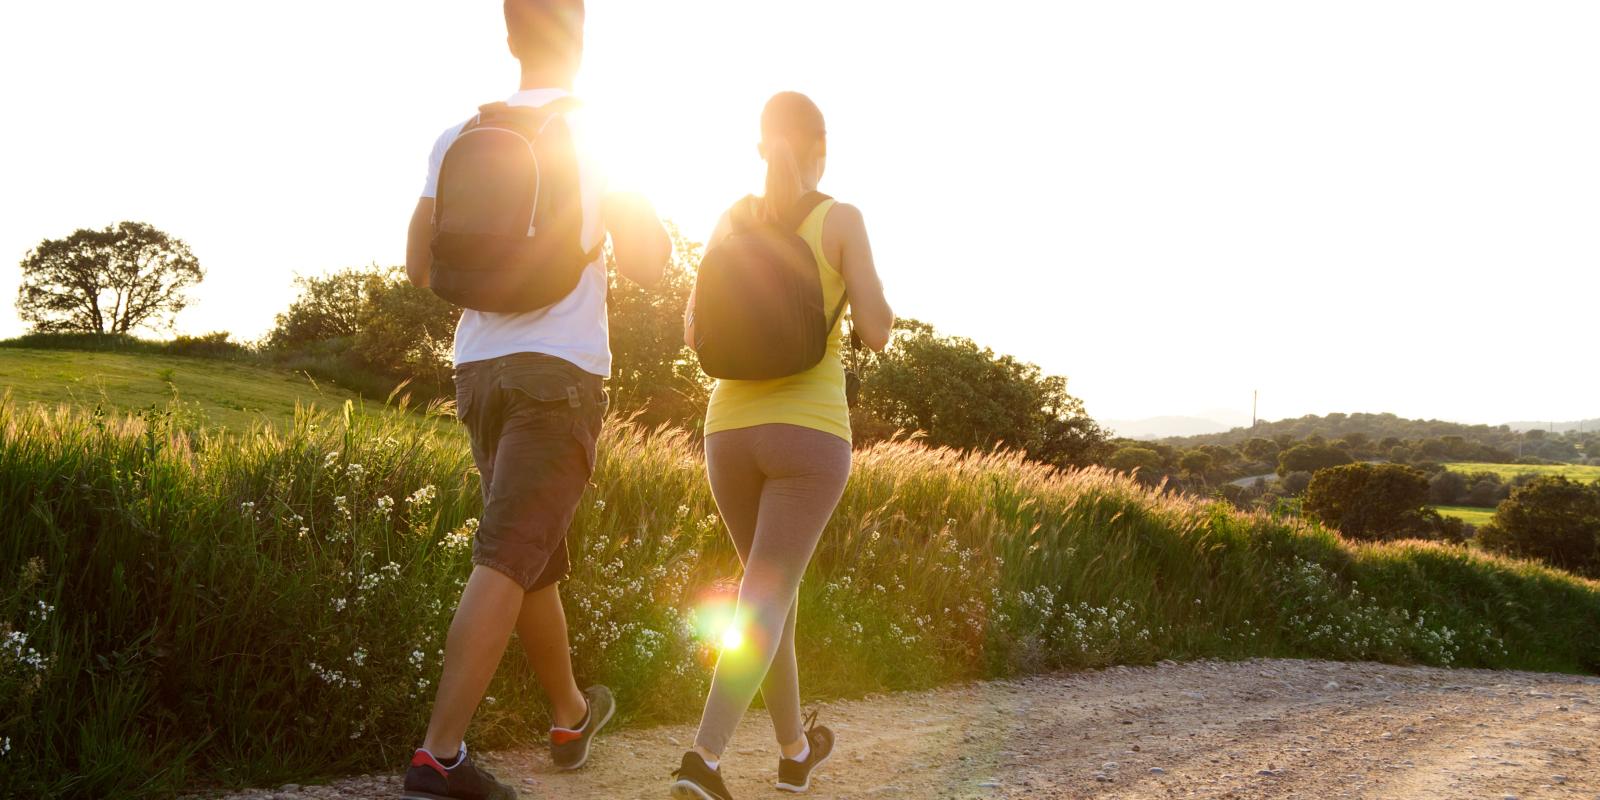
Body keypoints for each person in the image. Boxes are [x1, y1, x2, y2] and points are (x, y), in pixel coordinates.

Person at [400, 1, 670, 798]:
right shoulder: (597, 141)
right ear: (579, 41)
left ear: (511, 38)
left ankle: (569, 713)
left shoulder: (457, 137)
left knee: (531, 560)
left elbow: (420, 263)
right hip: (560, 373)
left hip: (478, 370)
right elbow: (652, 265)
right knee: (510, 555)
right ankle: (438, 755)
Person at [672, 92, 894, 800]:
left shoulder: (730, 219)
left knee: (773, 598)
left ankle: (796, 751)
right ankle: (702, 761)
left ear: (763, 146)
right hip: (808, 434)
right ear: (820, 149)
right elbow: (880, 329)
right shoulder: (842, 219)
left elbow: (691, 329)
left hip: (727, 430)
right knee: (764, 600)